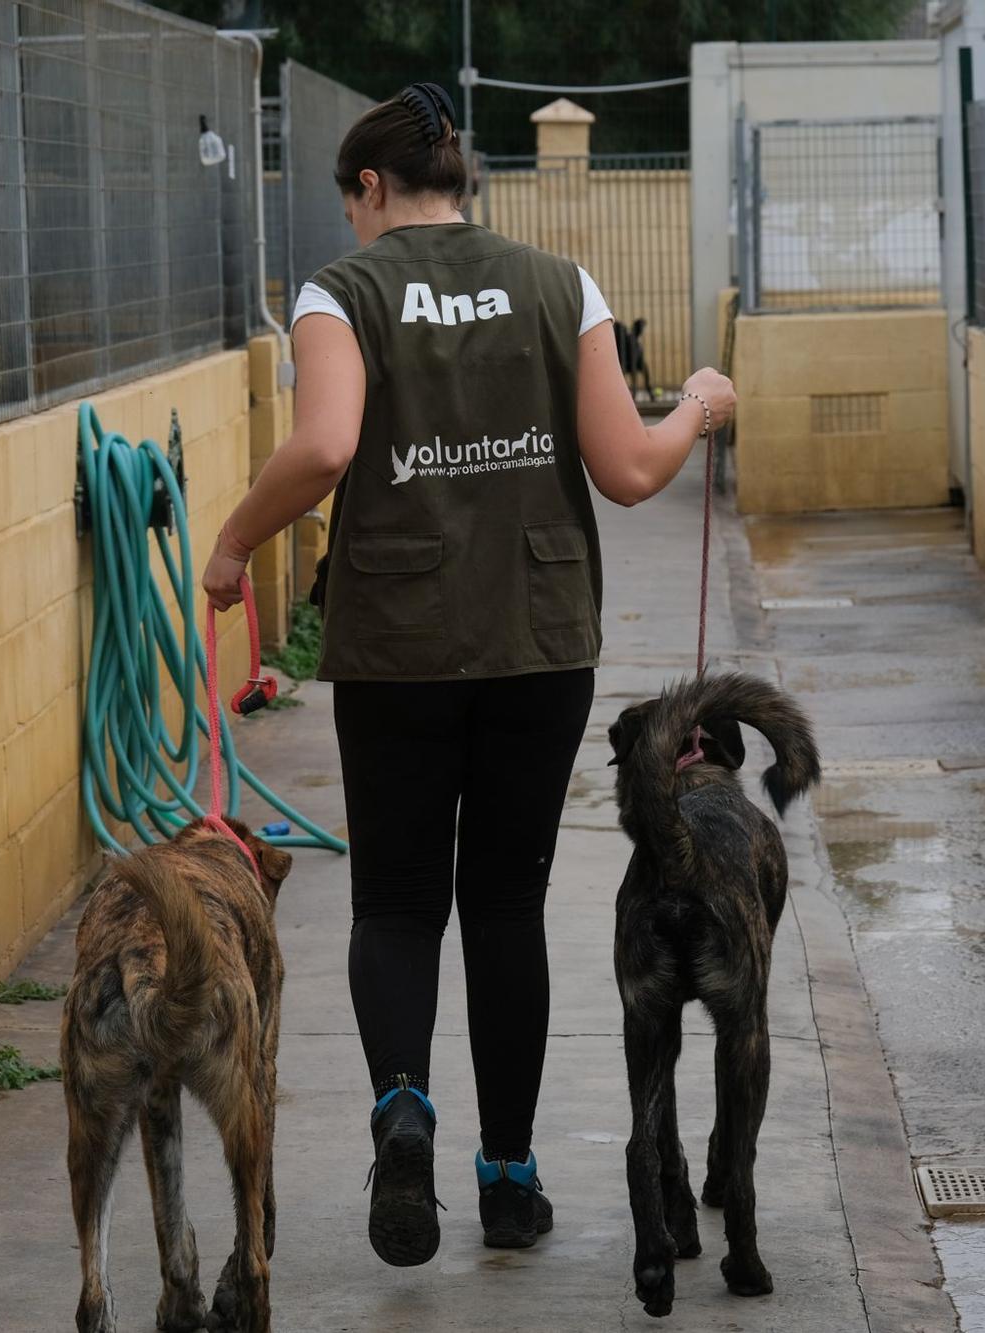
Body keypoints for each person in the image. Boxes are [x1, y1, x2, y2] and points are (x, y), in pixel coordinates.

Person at [201, 82, 737, 1268]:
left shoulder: (340, 294)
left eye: (351, 201)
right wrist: (696, 401)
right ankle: (506, 1176)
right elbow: (631, 471)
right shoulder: (563, 286)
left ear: (372, 189)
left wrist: (235, 541)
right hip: (536, 636)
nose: (351, 222)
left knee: (395, 901)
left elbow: (327, 443)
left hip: (397, 636)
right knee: (505, 905)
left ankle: (402, 1109)